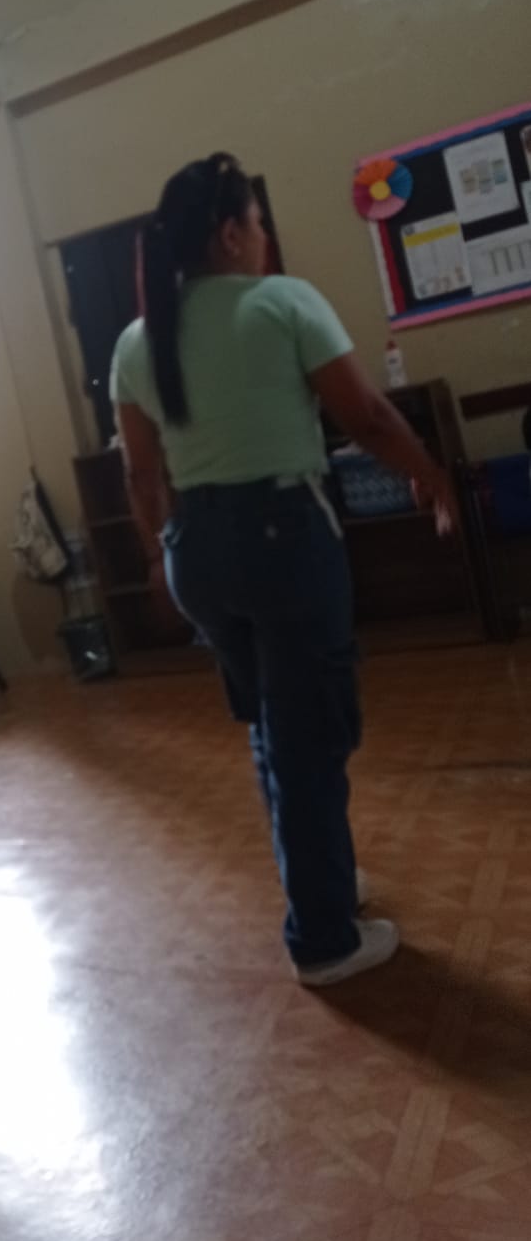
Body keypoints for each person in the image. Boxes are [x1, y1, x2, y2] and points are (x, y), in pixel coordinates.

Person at [111, 154, 456, 988]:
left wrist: (159, 552)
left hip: (198, 553)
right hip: (282, 542)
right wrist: (431, 474)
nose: (265, 238)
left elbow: (141, 473)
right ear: (231, 233)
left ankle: (320, 884)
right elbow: (365, 416)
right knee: (310, 737)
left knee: (274, 726)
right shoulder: (282, 302)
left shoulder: (137, 340)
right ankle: (325, 938)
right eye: (259, 224)